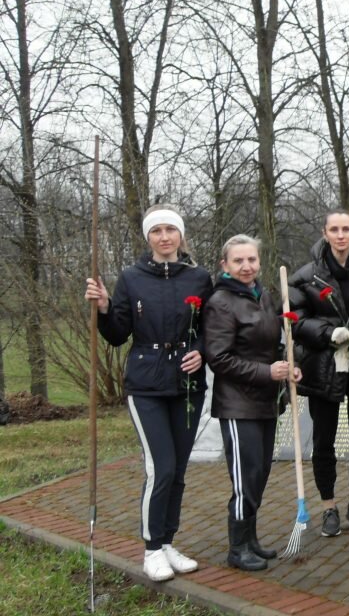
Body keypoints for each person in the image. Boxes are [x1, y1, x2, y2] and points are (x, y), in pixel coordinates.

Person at [84, 205, 212, 582]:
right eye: (157, 231)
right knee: (161, 467)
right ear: (148, 238)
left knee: (179, 470)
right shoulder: (132, 278)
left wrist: (201, 350)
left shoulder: (199, 278)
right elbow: (117, 334)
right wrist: (106, 308)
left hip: (187, 385)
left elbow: (213, 326)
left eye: (170, 230)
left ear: (180, 236)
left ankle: (168, 541)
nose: (164, 237)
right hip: (146, 385)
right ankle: (151, 549)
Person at [203, 234, 298, 572]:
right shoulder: (221, 302)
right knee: (245, 478)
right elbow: (219, 358)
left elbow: (274, 346)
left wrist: (288, 367)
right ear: (225, 265)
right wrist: (266, 371)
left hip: (265, 402)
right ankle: (237, 547)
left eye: (251, 260)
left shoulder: (264, 296)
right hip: (237, 405)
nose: (246, 266)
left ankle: (251, 539)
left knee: (259, 474)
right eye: (238, 261)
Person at [288, 210, 349, 538]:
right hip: (324, 367)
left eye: (346, 229)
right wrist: (328, 333)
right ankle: (328, 506)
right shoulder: (308, 275)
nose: (341, 235)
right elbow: (293, 317)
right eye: (334, 229)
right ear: (325, 233)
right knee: (323, 440)